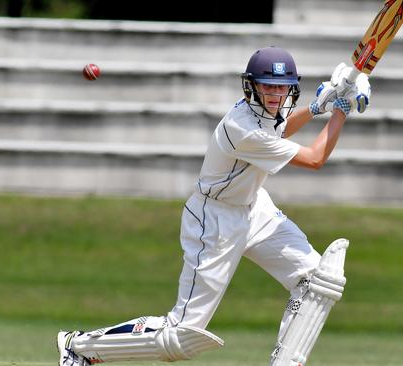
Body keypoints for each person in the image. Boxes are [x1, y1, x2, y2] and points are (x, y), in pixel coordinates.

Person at [56, 46, 370, 365]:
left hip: (255, 208)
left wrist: (319, 106)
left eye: (281, 87)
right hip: (215, 221)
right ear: (252, 86)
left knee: (315, 281)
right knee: (180, 338)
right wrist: (341, 108)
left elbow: (280, 128)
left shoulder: (261, 115)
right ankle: (80, 346)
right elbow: (315, 159)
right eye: (268, 86)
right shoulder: (242, 128)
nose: (275, 94)